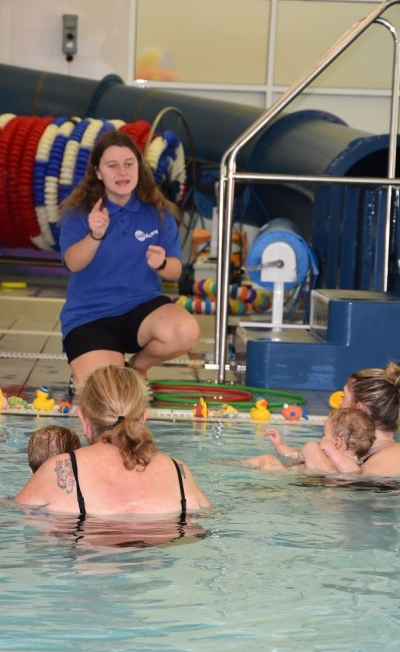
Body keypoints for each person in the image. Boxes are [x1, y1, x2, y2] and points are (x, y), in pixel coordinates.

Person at [59, 129, 200, 395]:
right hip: (90, 316)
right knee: (110, 397)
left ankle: (137, 368)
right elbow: (73, 263)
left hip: (141, 310)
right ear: (98, 172)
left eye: (128, 164)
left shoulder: (158, 212)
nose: (122, 172)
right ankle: (91, 366)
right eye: (112, 166)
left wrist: (160, 263)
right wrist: (94, 235)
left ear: (139, 167)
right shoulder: (79, 213)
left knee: (186, 331)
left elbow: (175, 270)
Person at [16, 365, 210, 518]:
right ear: (143, 418)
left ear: (83, 419)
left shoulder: (60, 469)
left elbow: (15, 515)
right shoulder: (179, 472)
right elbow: (209, 519)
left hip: (86, 562)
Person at [244, 407, 376, 475]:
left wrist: (332, 451)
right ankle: (238, 464)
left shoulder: (349, 462)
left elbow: (353, 472)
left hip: (283, 477)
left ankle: (237, 464)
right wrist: (280, 444)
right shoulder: (325, 455)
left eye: (325, 434)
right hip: (297, 479)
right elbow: (295, 455)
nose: (322, 438)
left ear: (337, 442)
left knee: (267, 458)